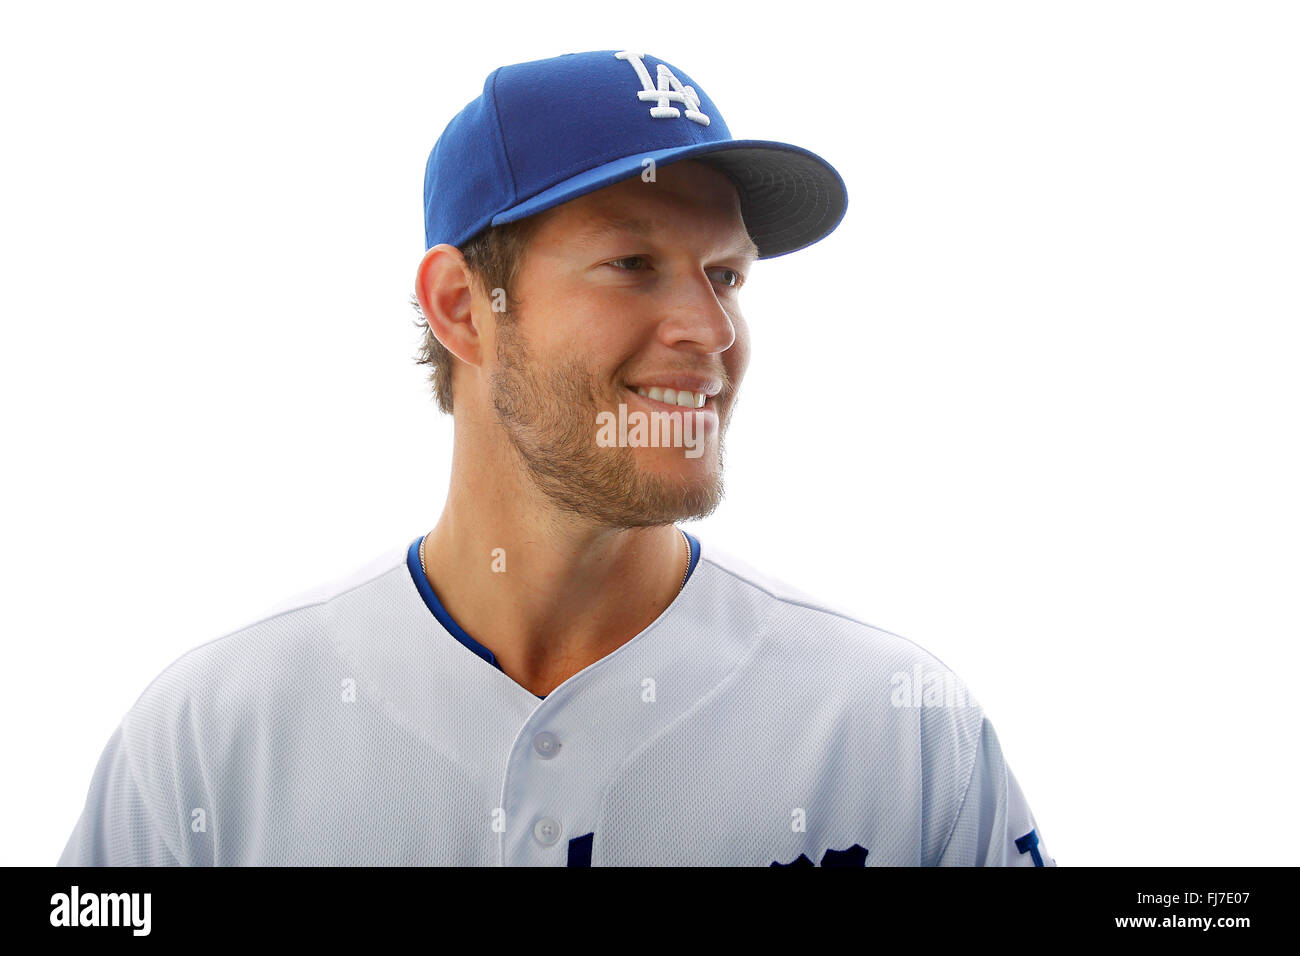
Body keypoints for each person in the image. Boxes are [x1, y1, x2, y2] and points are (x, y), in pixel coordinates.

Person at [57, 49, 1056, 866]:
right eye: (634, 263)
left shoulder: (899, 731)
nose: (709, 329)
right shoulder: (211, 736)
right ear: (462, 307)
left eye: (725, 274)